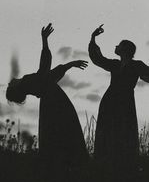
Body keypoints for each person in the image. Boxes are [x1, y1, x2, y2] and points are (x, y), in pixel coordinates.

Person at [6, 23, 89, 168]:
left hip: (52, 102)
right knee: (63, 130)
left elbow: (48, 75)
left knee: (57, 132)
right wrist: (44, 40)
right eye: (9, 86)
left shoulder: (29, 83)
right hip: (55, 101)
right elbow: (45, 70)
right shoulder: (27, 83)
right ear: (14, 88)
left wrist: (69, 65)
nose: (9, 82)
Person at [89, 24, 149, 170]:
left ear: (124, 50)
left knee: (124, 133)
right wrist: (93, 38)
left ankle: (123, 166)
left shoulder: (136, 65)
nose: (116, 46)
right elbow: (97, 58)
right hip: (110, 102)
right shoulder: (114, 64)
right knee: (108, 133)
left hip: (124, 103)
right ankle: (106, 164)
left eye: (119, 45)